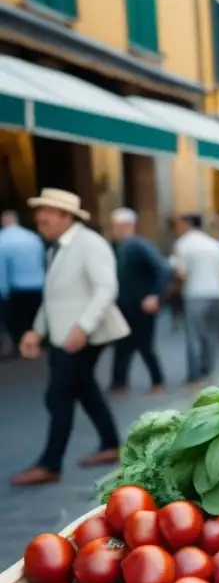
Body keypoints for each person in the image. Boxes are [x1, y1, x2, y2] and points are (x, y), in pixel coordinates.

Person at [10, 189, 128, 486]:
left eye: (47, 210)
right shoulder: (56, 248)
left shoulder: (90, 243)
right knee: (85, 389)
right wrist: (35, 331)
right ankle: (111, 444)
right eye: (39, 210)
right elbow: (53, 299)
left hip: (81, 336)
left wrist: (83, 327)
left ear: (67, 216)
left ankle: (50, 463)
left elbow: (106, 288)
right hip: (64, 335)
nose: (40, 217)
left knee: (59, 394)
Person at [109, 208, 172, 394]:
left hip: (141, 305)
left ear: (128, 225)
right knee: (123, 345)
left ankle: (157, 380)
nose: (114, 230)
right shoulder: (121, 245)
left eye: (117, 226)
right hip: (126, 304)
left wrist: (154, 295)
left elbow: (163, 269)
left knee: (144, 345)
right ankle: (119, 382)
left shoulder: (138, 245)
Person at [170, 213, 219, 386]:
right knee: (211, 333)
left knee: (193, 335)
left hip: (195, 294)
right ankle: (208, 368)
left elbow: (181, 272)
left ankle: (194, 374)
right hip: (216, 293)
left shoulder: (183, 244)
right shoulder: (215, 244)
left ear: (187, 224)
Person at [0, 209, 46, 350]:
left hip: (17, 287)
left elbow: (2, 269)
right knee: (34, 316)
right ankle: (38, 341)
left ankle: (21, 343)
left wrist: (3, 292)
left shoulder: (2, 239)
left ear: (4, 222)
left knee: (16, 319)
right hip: (38, 284)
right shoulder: (33, 237)